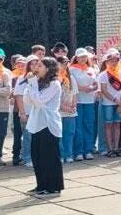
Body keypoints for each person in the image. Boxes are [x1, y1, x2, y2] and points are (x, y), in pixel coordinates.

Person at [25, 57, 65, 195]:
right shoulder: (37, 82)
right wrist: (30, 84)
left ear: (48, 69)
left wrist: (32, 84)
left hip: (48, 123)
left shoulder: (54, 84)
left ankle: (53, 186)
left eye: (40, 66)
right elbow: (28, 100)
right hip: (37, 123)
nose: (37, 68)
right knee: (37, 155)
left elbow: (39, 101)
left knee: (49, 156)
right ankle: (41, 185)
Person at [98, 49, 121, 157]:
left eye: (116, 61)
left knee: (117, 124)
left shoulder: (120, 73)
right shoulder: (103, 75)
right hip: (108, 103)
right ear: (107, 62)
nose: (114, 63)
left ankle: (116, 147)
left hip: (119, 103)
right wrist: (116, 100)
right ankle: (110, 148)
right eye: (111, 61)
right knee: (108, 125)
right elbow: (104, 90)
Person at [71, 48, 97, 161]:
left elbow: (96, 84)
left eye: (85, 57)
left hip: (89, 101)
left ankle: (88, 150)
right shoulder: (71, 69)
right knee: (78, 126)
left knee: (89, 125)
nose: (83, 59)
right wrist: (82, 88)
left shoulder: (91, 69)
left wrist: (92, 88)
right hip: (78, 101)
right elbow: (71, 84)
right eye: (80, 57)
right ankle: (78, 151)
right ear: (76, 58)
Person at [15, 56, 40, 168]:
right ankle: (27, 157)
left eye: (37, 64)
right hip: (27, 112)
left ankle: (37, 157)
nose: (34, 66)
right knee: (27, 136)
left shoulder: (42, 78)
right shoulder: (22, 78)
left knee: (38, 137)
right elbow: (19, 97)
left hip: (39, 112)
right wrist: (23, 113)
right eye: (32, 64)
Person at [57, 56, 78, 163]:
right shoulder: (54, 78)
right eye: (62, 63)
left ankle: (68, 154)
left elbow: (74, 93)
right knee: (59, 135)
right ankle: (60, 155)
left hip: (70, 111)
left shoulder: (71, 77)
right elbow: (54, 97)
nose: (64, 65)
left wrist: (73, 106)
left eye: (66, 63)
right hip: (59, 112)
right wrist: (63, 107)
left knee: (69, 133)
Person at [10, 55, 26, 166]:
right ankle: (16, 155)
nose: (21, 66)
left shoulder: (29, 77)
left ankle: (25, 153)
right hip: (17, 110)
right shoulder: (13, 78)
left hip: (29, 109)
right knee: (17, 134)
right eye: (18, 64)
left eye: (23, 64)